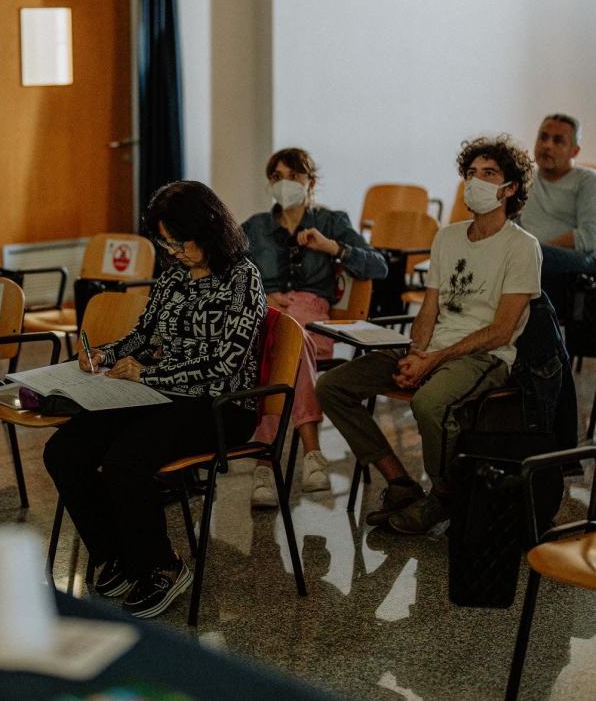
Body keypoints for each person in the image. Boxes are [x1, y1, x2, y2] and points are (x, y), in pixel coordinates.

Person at [43, 181, 267, 619]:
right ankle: (118, 554)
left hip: (220, 407)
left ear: (209, 229)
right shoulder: (174, 276)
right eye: (165, 243)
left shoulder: (243, 280)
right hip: (160, 394)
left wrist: (152, 372)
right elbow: (145, 335)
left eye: (179, 242)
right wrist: (108, 354)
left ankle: (162, 565)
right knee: (65, 451)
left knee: (127, 460)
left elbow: (224, 362)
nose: (174, 252)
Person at [316, 135, 541, 535]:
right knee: (333, 385)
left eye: (489, 174)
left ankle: (443, 496)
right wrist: (415, 352)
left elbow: (502, 330)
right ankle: (401, 484)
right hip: (431, 350)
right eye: (471, 173)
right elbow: (429, 308)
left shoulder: (522, 247)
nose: (476, 182)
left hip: (485, 357)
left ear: (510, 189)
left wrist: (432, 362)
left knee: (428, 402)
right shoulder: (447, 237)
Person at [242, 148, 387, 506]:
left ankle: (264, 463)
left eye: (293, 176)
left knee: (287, 343)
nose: (284, 184)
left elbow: (378, 266)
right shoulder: (255, 227)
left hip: (314, 314)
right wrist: (262, 296)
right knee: (279, 343)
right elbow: (233, 276)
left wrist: (333, 248)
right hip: (268, 313)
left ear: (311, 182)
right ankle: (312, 455)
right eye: (276, 177)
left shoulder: (331, 221)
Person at [519, 113, 596, 313]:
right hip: (528, 259)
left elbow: (590, 237)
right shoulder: (525, 180)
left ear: (575, 151)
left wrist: (534, 251)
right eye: (543, 137)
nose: (547, 145)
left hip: (576, 263)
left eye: (558, 141)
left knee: (531, 256)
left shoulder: (588, 182)